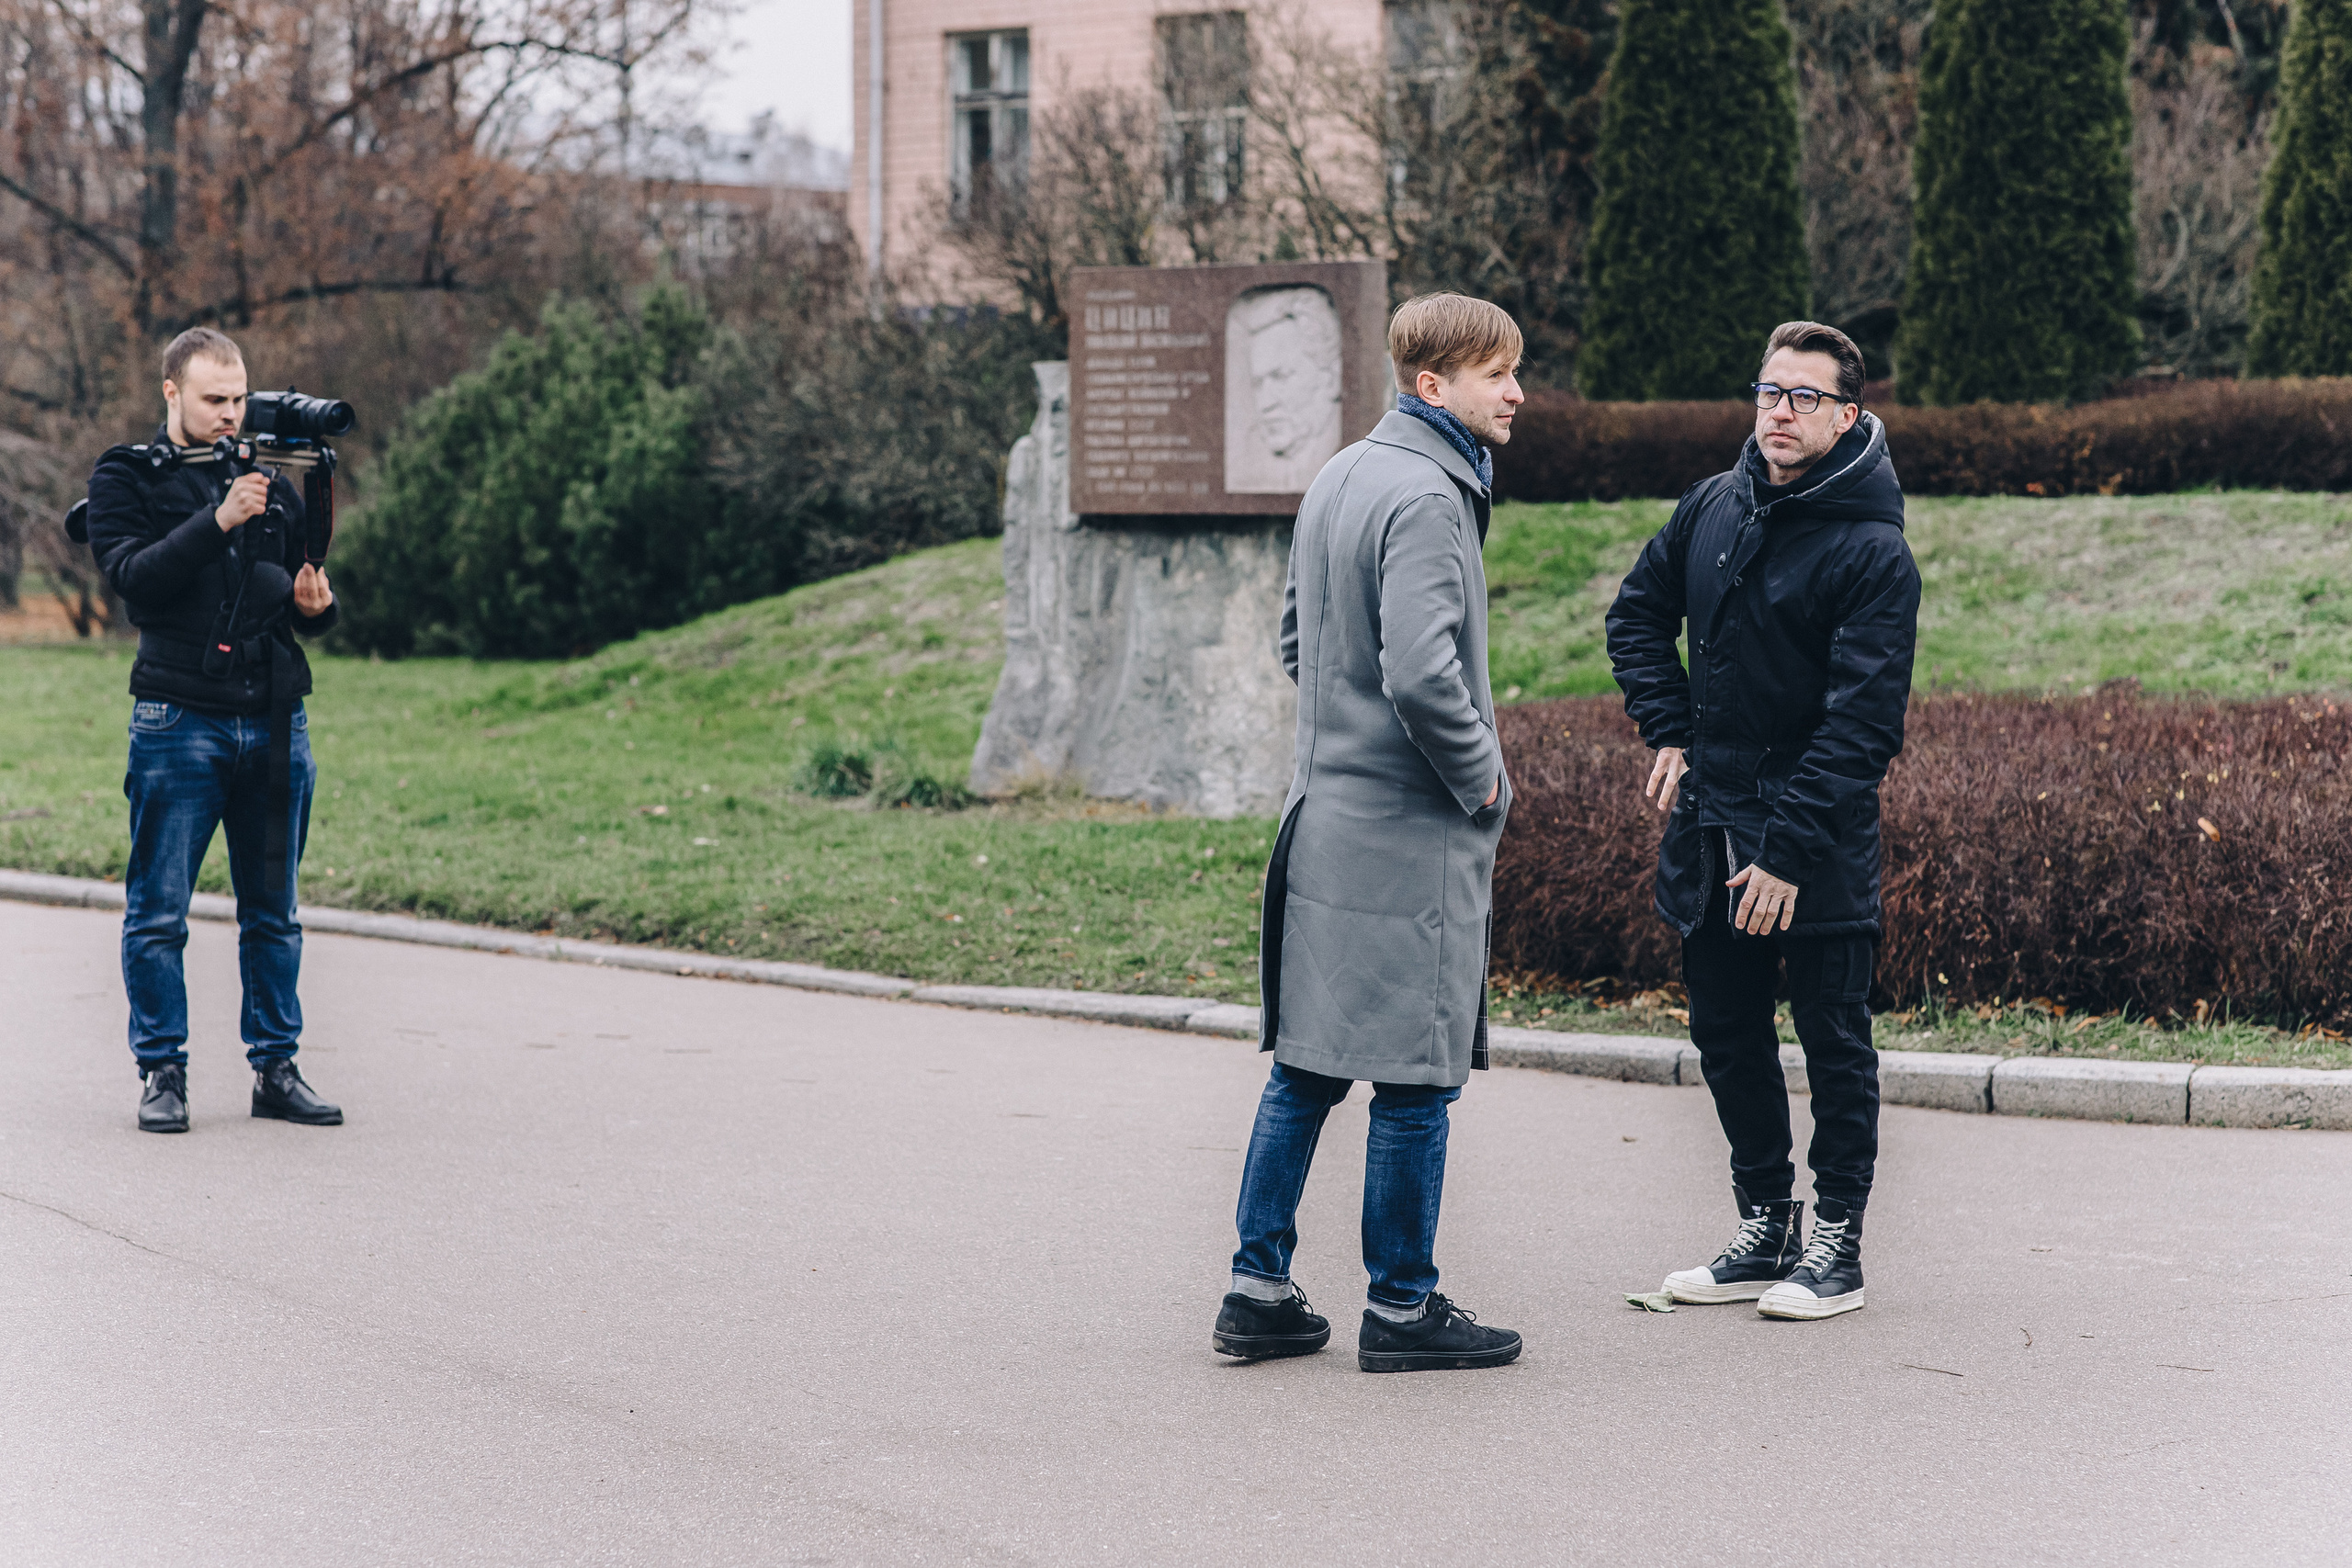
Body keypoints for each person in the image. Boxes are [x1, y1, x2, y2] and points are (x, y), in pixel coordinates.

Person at [1211, 293, 1525, 1373]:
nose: (1517, 392)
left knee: (1304, 1068)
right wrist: (1481, 776)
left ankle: (1257, 1293)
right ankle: (1401, 1308)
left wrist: (1346, 733)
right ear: (1432, 386)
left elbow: (1299, 642)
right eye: (1497, 375)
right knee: (1415, 1079)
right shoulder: (1432, 496)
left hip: (1320, 819)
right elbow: (1420, 672)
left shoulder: (1340, 476)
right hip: (1408, 834)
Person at [1606, 321, 1919, 1321]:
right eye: (1768, 391)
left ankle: (1836, 1248)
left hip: (1813, 838)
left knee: (1832, 1041)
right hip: (1708, 824)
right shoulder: (1713, 504)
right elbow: (1636, 615)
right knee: (1727, 1032)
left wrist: (1785, 850)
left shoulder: (1872, 552)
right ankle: (1762, 1226)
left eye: (1804, 397)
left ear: (1847, 416)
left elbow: (1862, 724)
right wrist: (1668, 728)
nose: (1780, 411)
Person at [83, 327, 345, 1134]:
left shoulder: (271, 483)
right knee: (159, 910)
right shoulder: (127, 475)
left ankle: (277, 1066)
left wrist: (318, 608)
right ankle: (163, 1070)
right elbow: (135, 580)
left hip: (272, 716)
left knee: (275, 911)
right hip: (177, 717)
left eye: (239, 399)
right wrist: (221, 518)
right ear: (172, 392)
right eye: (214, 400)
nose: (231, 415)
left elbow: (306, 605)